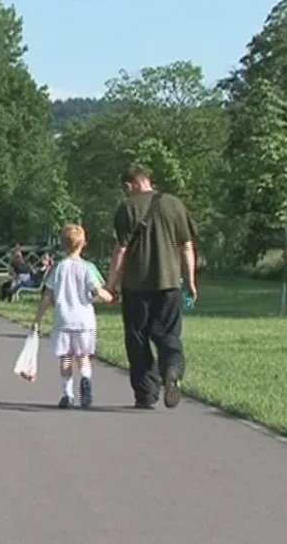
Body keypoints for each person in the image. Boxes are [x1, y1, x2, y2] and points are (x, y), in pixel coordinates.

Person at [105, 164, 197, 410]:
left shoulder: (127, 208)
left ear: (130, 185)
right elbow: (187, 246)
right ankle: (172, 369)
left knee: (138, 339)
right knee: (168, 334)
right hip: (169, 284)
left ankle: (146, 394)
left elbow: (121, 250)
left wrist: (111, 285)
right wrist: (190, 281)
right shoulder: (174, 204)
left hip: (136, 286)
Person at [32, 224, 113, 409]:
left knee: (66, 358)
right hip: (84, 320)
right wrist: (110, 297)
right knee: (83, 356)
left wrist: (38, 318)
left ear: (63, 244)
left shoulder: (58, 268)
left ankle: (67, 394)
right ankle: (85, 379)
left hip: (63, 320)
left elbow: (47, 296)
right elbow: (97, 290)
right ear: (84, 243)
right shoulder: (88, 268)